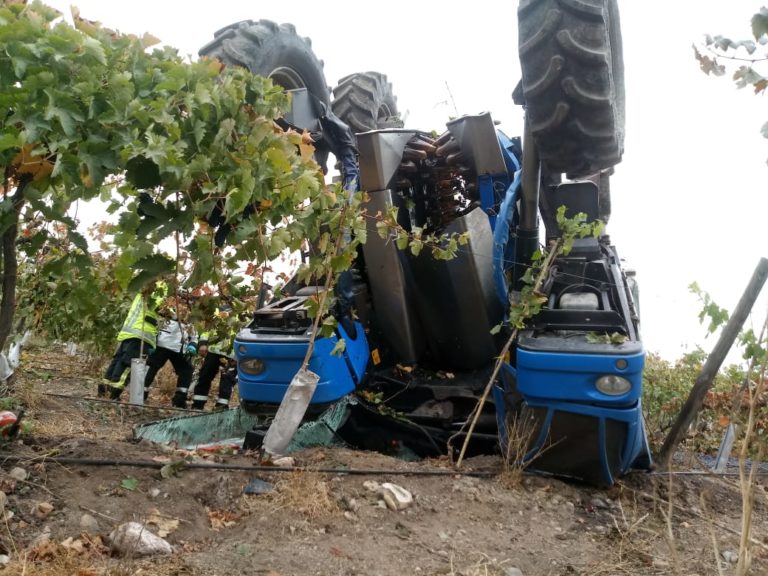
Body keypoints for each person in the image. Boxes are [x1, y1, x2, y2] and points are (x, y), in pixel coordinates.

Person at [99, 282, 162, 400]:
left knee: (118, 361)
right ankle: (114, 394)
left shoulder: (147, 283)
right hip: (142, 334)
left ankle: (104, 390)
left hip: (130, 332)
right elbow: (158, 307)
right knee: (128, 365)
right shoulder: (160, 287)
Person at [143, 298, 197, 404]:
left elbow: (194, 335)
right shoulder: (167, 310)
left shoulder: (192, 318)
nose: (185, 305)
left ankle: (179, 399)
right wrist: (151, 342)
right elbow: (157, 323)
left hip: (180, 348)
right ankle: (140, 394)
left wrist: (193, 345)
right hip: (162, 344)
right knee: (151, 367)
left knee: (187, 370)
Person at [182, 326, 237, 411]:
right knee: (204, 377)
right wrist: (203, 344)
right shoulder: (217, 312)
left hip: (232, 354)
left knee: (227, 382)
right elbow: (208, 326)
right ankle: (197, 406)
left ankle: (221, 407)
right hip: (213, 351)